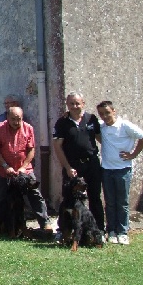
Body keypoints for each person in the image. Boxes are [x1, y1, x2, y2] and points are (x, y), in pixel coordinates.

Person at [0, 107, 50, 234]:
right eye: (13, 119)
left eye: (19, 119)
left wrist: (23, 167)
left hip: (24, 170)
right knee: (0, 197)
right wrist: (5, 165)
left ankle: (45, 223)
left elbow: (31, 150)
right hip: (4, 170)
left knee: (35, 195)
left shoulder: (28, 128)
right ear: (7, 117)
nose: (16, 122)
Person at [96, 100, 143, 245]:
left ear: (114, 111)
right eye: (101, 114)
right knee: (110, 202)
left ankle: (122, 232)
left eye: (107, 112)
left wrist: (133, 154)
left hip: (123, 170)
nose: (105, 116)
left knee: (122, 202)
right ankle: (111, 230)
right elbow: (97, 135)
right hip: (106, 169)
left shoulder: (125, 125)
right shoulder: (101, 126)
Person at [52, 92, 104, 231]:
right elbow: (57, 146)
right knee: (69, 199)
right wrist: (67, 167)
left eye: (77, 103)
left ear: (83, 103)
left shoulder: (92, 119)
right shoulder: (62, 122)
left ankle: (98, 229)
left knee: (95, 197)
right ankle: (65, 230)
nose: (75, 106)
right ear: (67, 105)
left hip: (92, 163)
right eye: (71, 104)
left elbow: (102, 139)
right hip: (72, 165)